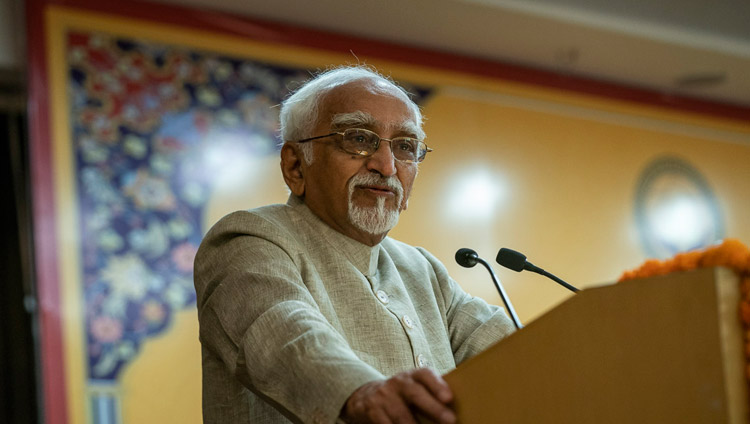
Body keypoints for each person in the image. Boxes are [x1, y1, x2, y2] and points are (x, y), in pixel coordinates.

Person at [194, 65, 515, 424]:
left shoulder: (422, 270)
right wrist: (359, 392)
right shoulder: (249, 239)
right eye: (359, 139)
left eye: (406, 147)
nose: (387, 166)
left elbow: (518, 352)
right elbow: (280, 333)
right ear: (296, 166)